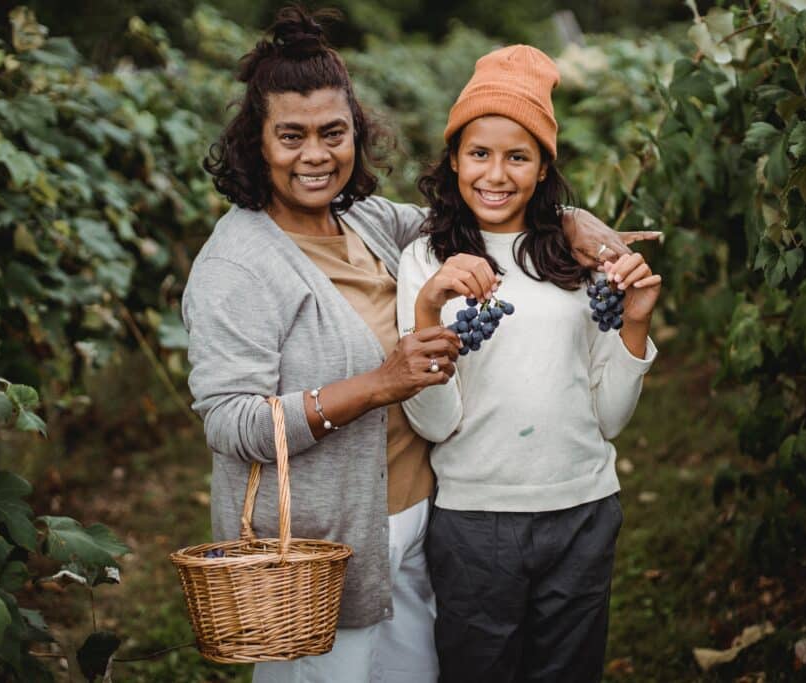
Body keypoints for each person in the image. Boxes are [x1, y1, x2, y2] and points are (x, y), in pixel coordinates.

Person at [183, 7, 655, 681]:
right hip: (325, 543)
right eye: (291, 136)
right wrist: (380, 383)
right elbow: (232, 422)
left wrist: (569, 216)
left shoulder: (368, 221)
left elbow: (483, 208)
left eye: (333, 133)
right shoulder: (237, 265)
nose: (315, 154)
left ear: (356, 135)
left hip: (415, 520)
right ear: (255, 143)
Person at [396, 45, 662, 682]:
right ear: (454, 159)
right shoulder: (428, 261)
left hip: (584, 509)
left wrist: (636, 323)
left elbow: (610, 418)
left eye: (518, 156)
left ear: (543, 168)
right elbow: (435, 424)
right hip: (474, 518)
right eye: (479, 153)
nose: (496, 173)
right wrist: (430, 313)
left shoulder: (580, 262)